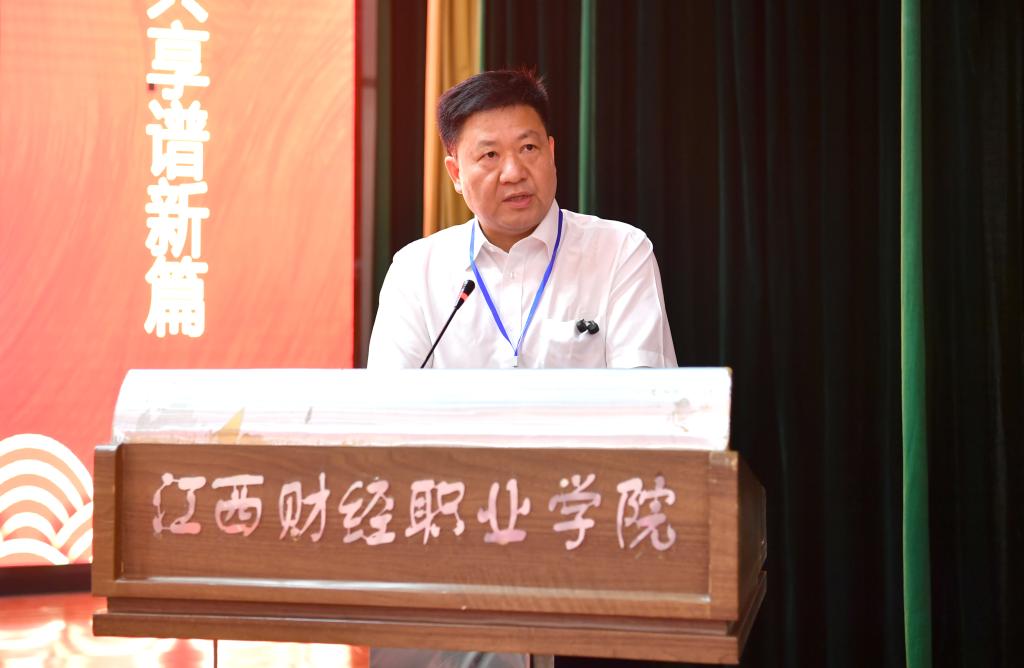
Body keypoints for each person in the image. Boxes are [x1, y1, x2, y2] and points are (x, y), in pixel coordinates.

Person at [368, 69, 676, 370]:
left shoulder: (620, 252)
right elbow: (388, 398)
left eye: (528, 148)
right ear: (456, 173)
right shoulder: (415, 271)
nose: (514, 173)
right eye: (490, 155)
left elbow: (647, 395)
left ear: (551, 153)